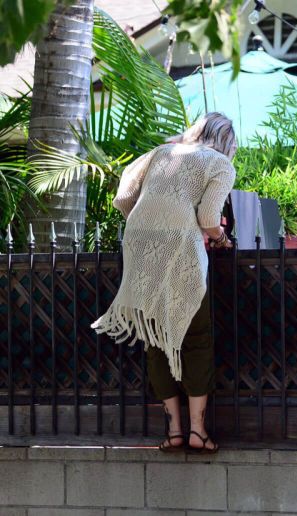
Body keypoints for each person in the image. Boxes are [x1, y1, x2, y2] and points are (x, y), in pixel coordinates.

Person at [91, 112, 236, 453]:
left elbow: (124, 196)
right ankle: (198, 432)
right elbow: (208, 218)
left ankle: (173, 431)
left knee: (155, 334)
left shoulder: (162, 152)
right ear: (228, 142)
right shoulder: (219, 164)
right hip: (180, 247)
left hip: (140, 244)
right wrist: (221, 239)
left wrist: (148, 221)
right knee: (195, 336)